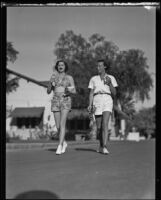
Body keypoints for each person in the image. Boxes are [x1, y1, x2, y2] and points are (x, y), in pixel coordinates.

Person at [88, 59, 118, 154]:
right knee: (99, 127)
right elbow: (91, 93)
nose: (98, 68)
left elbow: (114, 93)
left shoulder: (111, 78)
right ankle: (101, 145)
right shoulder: (93, 79)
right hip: (97, 100)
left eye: (100, 66)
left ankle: (104, 146)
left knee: (105, 123)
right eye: (97, 66)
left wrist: (110, 84)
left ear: (105, 66)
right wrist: (90, 105)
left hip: (107, 99)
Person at [47, 60, 76, 155]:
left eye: (62, 65)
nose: (60, 66)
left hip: (65, 99)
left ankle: (59, 145)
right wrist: (50, 83)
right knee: (58, 126)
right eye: (59, 65)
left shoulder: (69, 77)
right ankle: (64, 142)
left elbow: (74, 91)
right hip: (55, 100)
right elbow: (48, 91)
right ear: (57, 67)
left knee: (63, 123)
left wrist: (68, 90)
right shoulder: (53, 76)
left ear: (65, 67)